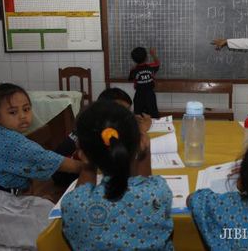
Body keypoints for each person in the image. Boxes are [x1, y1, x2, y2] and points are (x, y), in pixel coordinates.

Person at [0, 83, 82, 250]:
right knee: (47, 234)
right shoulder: (11, 141)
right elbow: (49, 160)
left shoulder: (5, 135)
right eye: (13, 112)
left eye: (26, 109)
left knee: (49, 211)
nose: (23, 116)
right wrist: (87, 167)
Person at [61, 101, 173, 250]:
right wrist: (144, 152)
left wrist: (88, 161)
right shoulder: (159, 191)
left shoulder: (73, 204)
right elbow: (147, 185)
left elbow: (80, 194)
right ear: (140, 143)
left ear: (83, 154)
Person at [52, 87, 135, 187]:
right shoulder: (93, 130)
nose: (126, 116)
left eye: (128, 111)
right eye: (121, 111)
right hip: (68, 177)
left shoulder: (100, 123)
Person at [128, 47, 160, 118]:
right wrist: (153, 54)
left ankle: (139, 128)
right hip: (150, 95)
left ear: (134, 60)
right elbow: (157, 63)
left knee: (138, 114)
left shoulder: (133, 70)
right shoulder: (151, 67)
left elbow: (130, 79)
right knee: (153, 113)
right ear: (146, 58)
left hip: (139, 95)